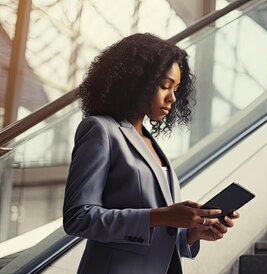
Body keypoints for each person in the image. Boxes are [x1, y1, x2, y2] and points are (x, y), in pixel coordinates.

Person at [62, 33, 239, 274]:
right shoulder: (100, 130)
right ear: (136, 81)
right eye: (165, 86)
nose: (173, 97)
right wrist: (160, 216)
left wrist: (192, 233)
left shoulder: (149, 142)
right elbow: (79, 217)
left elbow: (158, 233)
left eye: (176, 88)